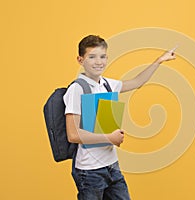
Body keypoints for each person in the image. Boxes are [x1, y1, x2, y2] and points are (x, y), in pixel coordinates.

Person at [63, 35, 176, 200]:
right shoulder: (77, 89)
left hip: (112, 167)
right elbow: (73, 134)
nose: (98, 61)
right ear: (80, 60)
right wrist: (109, 137)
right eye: (91, 57)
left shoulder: (107, 85)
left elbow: (137, 81)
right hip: (89, 172)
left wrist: (159, 60)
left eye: (102, 56)